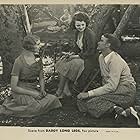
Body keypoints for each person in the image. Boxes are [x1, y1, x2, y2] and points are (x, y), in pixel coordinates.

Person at [77, 33, 138, 121]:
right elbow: (106, 80)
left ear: (108, 45)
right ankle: (121, 111)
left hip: (125, 91)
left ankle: (125, 110)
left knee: (91, 102)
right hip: (113, 90)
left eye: (101, 41)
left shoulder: (115, 60)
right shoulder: (101, 57)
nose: (98, 43)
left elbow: (111, 86)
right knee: (81, 101)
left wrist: (89, 94)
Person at [0, 34, 62, 117]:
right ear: (29, 46)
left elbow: (41, 78)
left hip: (33, 88)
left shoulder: (37, 60)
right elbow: (14, 87)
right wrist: (33, 94)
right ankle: (8, 108)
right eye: (38, 44)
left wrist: (42, 90)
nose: (40, 46)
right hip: (21, 90)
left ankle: (29, 105)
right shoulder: (19, 61)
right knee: (34, 107)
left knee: (54, 99)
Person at [55, 12, 98, 98]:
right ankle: (66, 90)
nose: (81, 27)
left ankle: (59, 90)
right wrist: (70, 53)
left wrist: (75, 56)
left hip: (89, 60)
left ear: (86, 23)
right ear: (74, 25)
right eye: (78, 25)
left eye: (83, 25)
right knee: (62, 60)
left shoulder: (90, 34)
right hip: (81, 56)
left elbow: (90, 52)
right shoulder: (77, 33)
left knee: (68, 64)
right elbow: (77, 47)